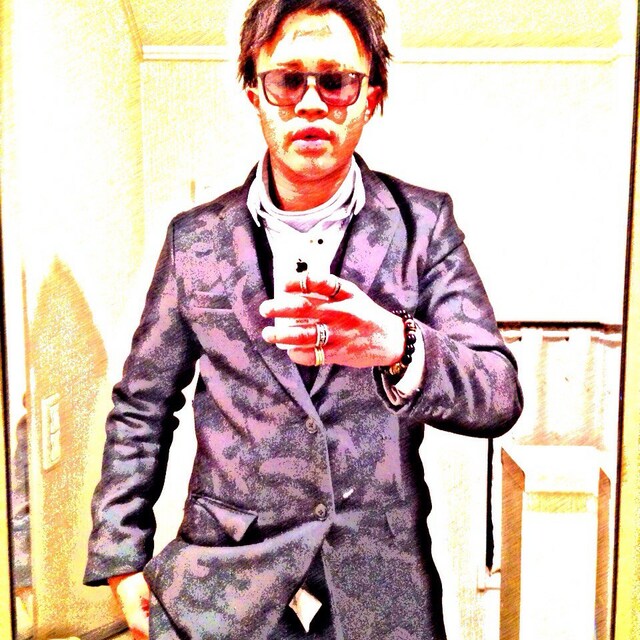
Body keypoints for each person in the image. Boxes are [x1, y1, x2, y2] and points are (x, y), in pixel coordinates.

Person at [84, 1, 523, 638]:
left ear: (371, 98)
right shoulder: (194, 240)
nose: (311, 104)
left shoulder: (424, 225)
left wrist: (397, 344)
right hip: (223, 577)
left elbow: (498, 394)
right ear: (255, 94)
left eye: (337, 81)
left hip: (380, 582)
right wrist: (121, 557)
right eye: (288, 80)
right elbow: (142, 405)